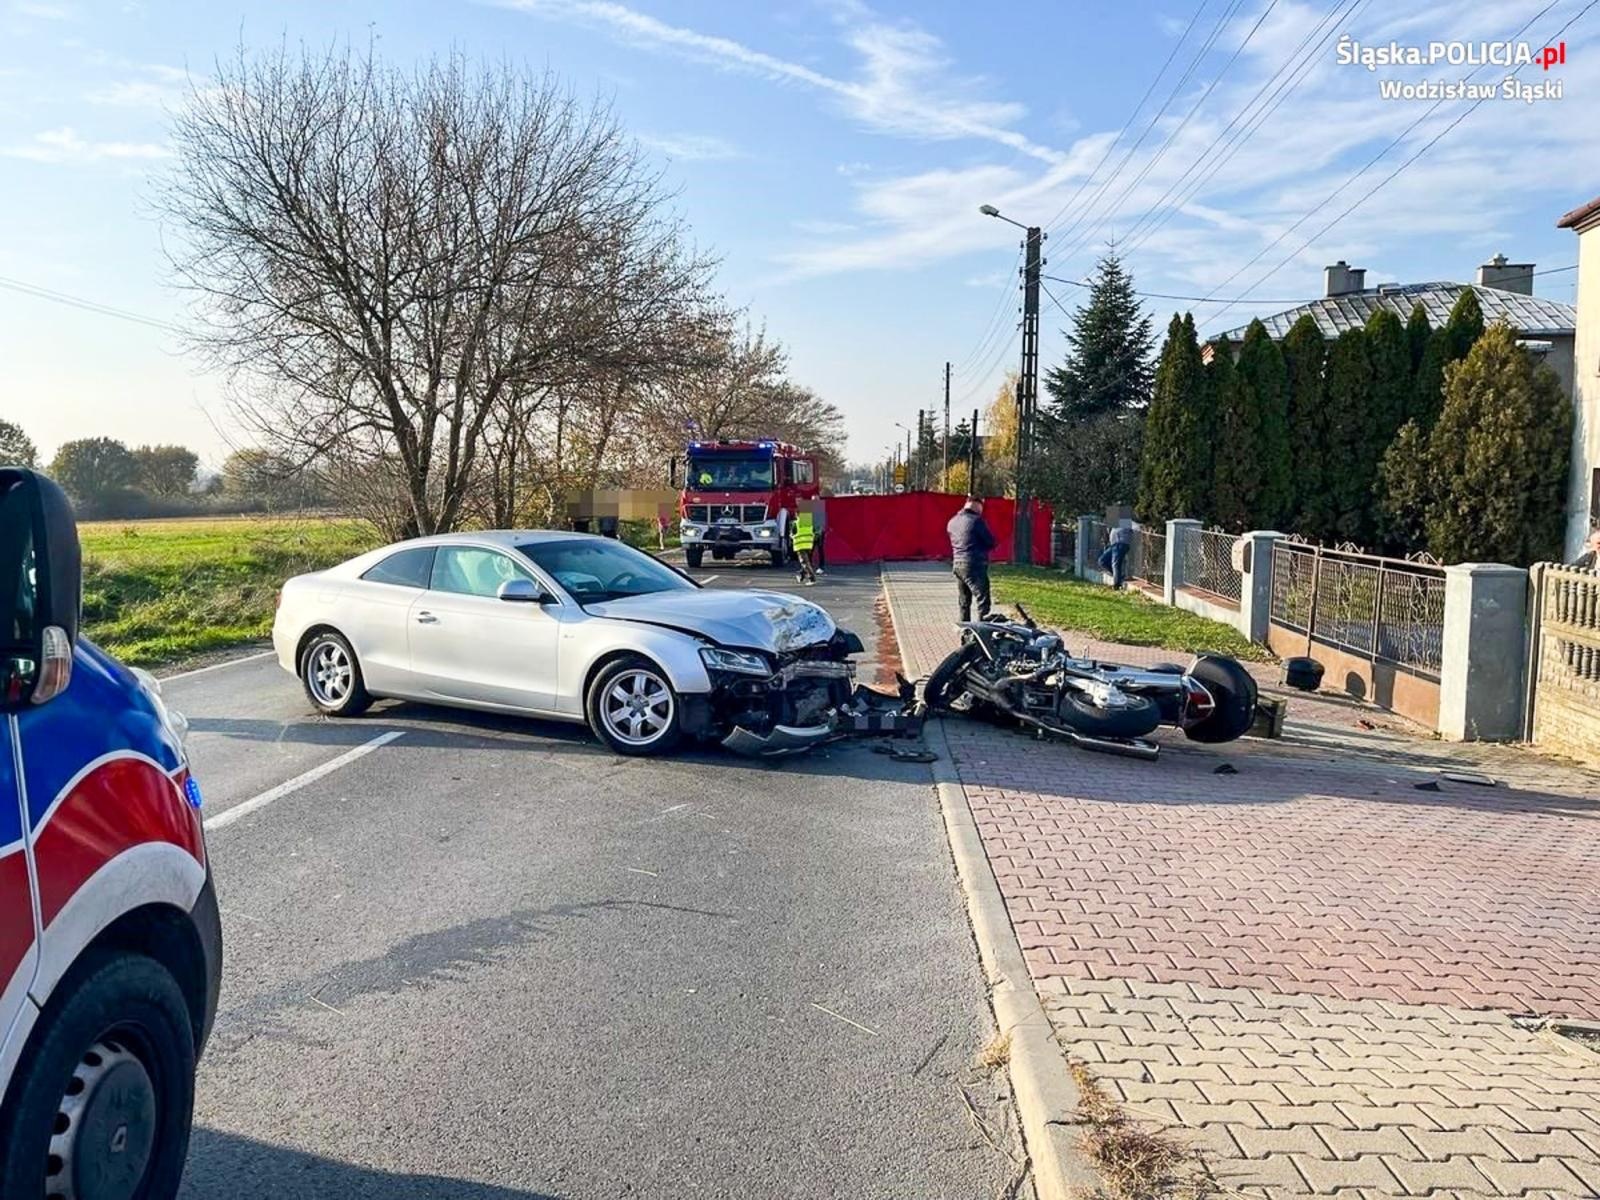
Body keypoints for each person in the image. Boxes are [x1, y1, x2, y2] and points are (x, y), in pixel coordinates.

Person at [947, 495, 996, 622]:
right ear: (977, 505)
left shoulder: (952, 521)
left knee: (964, 601)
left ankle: (965, 629)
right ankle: (982, 629)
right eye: (981, 507)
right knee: (983, 600)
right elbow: (990, 542)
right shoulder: (976, 521)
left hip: (957, 564)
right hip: (974, 564)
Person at [1098, 520, 1132, 589]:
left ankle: (1117, 585)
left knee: (1115, 564)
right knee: (1102, 561)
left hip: (1121, 544)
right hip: (1114, 545)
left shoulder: (1127, 522)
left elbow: (1135, 527)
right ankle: (1119, 576)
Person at [791, 508, 818, 585]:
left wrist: (791, 536)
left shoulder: (796, 523)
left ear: (797, 514)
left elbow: (793, 533)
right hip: (809, 545)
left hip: (800, 545)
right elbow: (814, 532)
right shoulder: (809, 522)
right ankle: (801, 575)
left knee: (804, 562)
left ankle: (812, 579)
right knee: (807, 562)